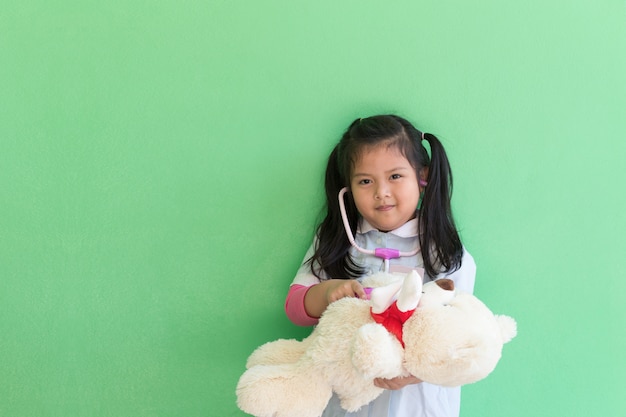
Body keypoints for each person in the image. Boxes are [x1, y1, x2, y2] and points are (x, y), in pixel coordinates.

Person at [284, 114, 476, 417]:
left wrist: (411, 373)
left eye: (395, 176)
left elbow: (463, 334)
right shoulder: (337, 239)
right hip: (346, 402)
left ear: (422, 177)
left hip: (418, 404)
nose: (381, 192)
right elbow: (294, 307)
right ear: (348, 187)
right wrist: (327, 293)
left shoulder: (447, 252)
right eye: (365, 181)